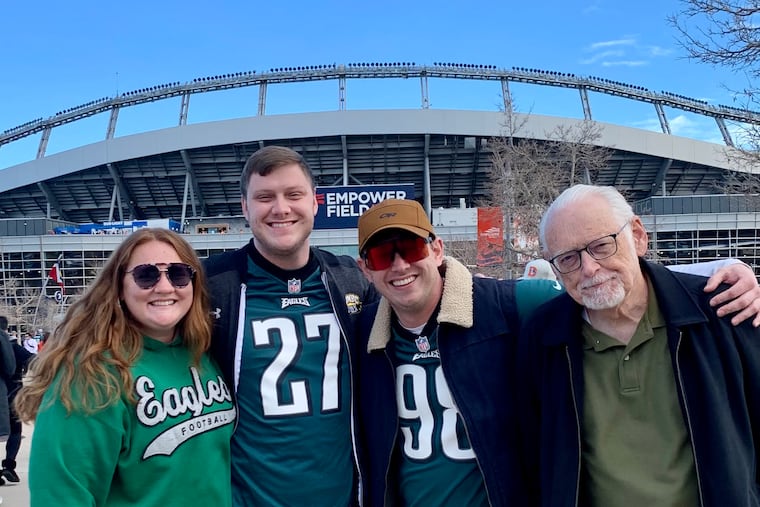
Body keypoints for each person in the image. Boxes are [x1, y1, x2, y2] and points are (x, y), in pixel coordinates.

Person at [353, 198, 760, 507]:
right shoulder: (361, 334)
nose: (399, 265)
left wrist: (725, 271)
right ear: (365, 268)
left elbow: (600, 285)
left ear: (437, 250)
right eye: (381, 256)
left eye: (411, 248)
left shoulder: (510, 305)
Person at [518, 184, 760, 506]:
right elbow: (535, 455)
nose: (589, 268)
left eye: (601, 246)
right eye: (568, 258)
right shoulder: (543, 338)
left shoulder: (722, 312)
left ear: (638, 236)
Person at [203, 146, 376, 506]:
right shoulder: (211, 284)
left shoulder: (350, 279)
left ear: (315, 202)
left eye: (293, 195)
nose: (281, 208)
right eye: (265, 197)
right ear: (245, 207)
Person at [15, 228, 236, 507]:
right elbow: (60, 494)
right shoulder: (92, 373)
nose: (165, 287)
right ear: (119, 287)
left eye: (179, 274)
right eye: (147, 275)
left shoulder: (204, 354)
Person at [2, 326, 33, 483]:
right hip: (12, 393)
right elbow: (33, 360)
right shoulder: (14, 347)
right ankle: (8, 465)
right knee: (15, 431)